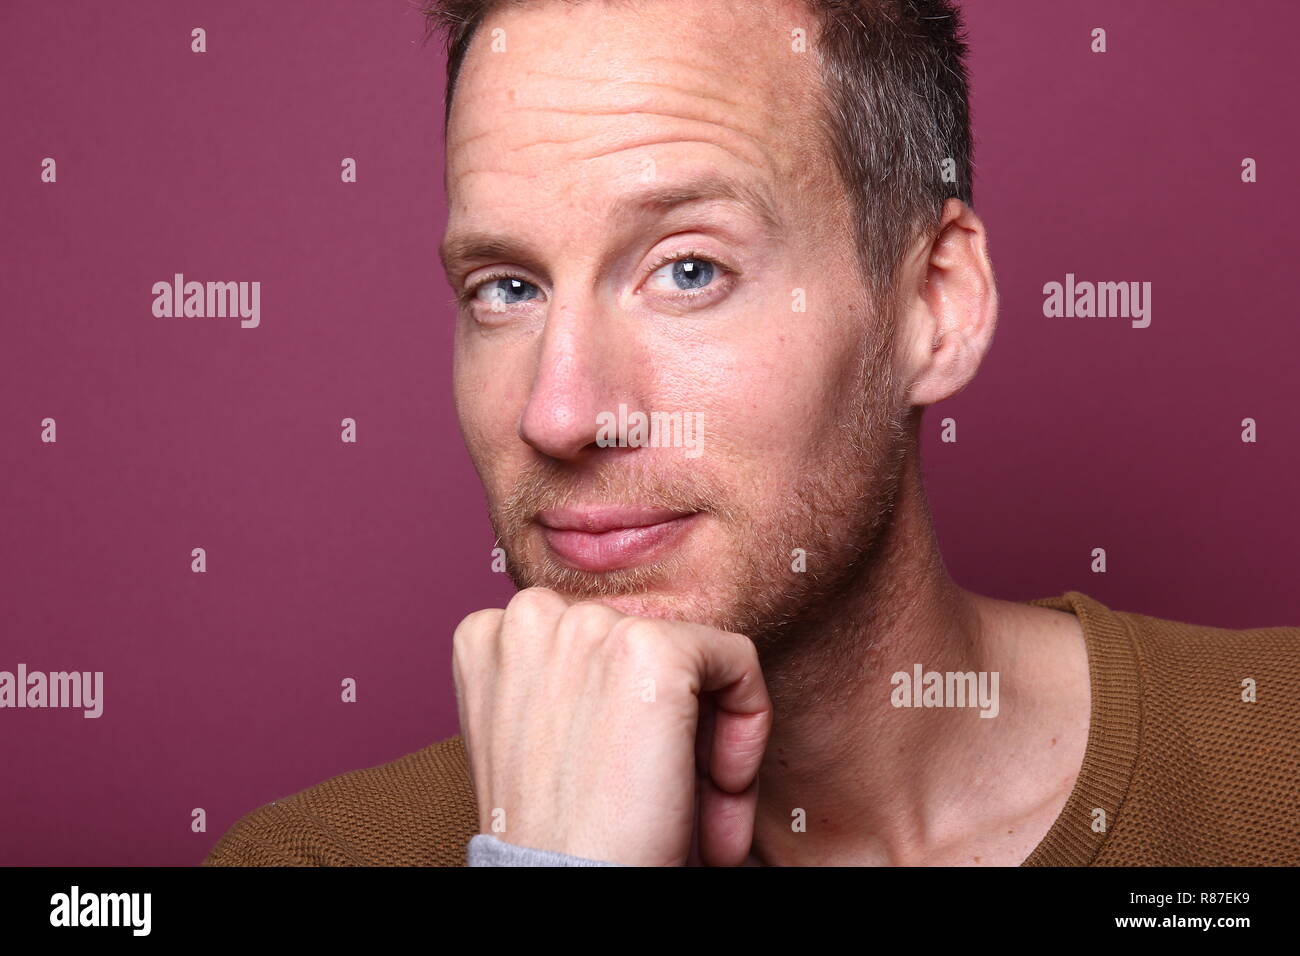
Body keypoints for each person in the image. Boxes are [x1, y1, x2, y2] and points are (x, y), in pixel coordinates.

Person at [203, 0, 1300, 867]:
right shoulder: (316, 857)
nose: (561, 412)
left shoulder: (1275, 762)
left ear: (934, 304)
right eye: (506, 287)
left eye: (689, 269)